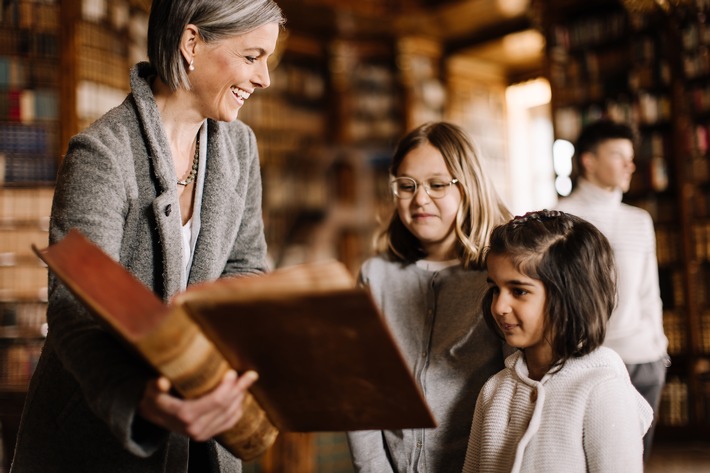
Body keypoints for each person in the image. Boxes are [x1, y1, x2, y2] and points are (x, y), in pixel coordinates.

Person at [10, 1, 285, 472]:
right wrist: (144, 400)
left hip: (205, 438)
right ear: (192, 43)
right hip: (100, 439)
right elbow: (75, 309)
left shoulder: (241, 147)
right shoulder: (101, 154)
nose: (265, 79)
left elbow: (247, 267)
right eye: (251, 56)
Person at [346, 121, 512, 473]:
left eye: (437, 185)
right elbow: (361, 386)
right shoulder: (375, 276)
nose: (420, 199)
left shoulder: (501, 277)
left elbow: (516, 388)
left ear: (469, 186)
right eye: (406, 186)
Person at [462, 210, 653, 473]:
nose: (499, 306)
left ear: (570, 295)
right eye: (495, 288)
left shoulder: (603, 392)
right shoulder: (493, 391)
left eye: (519, 291)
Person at [555, 119, 669, 461]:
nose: (629, 165)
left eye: (630, 156)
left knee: (634, 462)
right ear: (588, 161)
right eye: (618, 155)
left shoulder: (639, 220)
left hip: (645, 359)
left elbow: (650, 292)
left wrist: (658, 349)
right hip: (590, 361)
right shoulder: (561, 217)